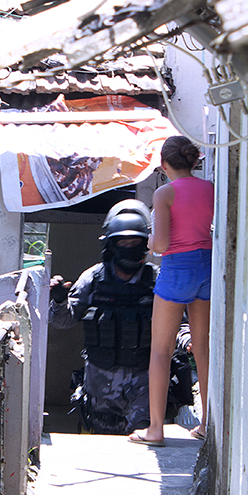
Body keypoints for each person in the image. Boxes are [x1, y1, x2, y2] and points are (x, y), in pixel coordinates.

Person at [129, 136, 214, 447]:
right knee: (202, 349)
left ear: (163, 165)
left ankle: (154, 429)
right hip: (206, 267)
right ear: (193, 161)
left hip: (177, 270)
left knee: (161, 351)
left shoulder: (165, 193)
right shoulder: (210, 189)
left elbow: (162, 244)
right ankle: (206, 423)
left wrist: (150, 243)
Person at [49, 200, 158, 435]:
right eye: (123, 242)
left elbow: (178, 326)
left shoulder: (156, 280)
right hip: (101, 384)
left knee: (142, 446)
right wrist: (59, 301)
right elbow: (63, 320)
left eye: (135, 242)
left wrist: (187, 341)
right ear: (111, 244)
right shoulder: (94, 278)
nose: (129, 247)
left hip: (144, 382)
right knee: (103, 443)